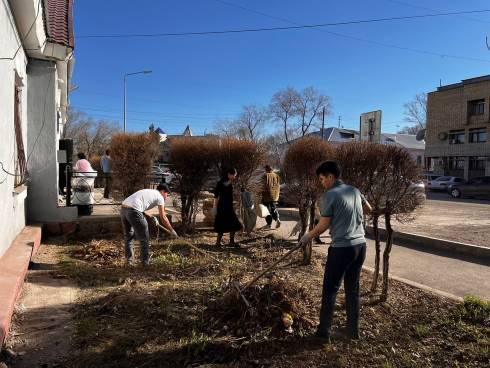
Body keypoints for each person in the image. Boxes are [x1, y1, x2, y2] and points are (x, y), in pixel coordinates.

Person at [298, 161, 372, 343]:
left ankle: (323, 334)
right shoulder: (354, 190)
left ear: (331, 176)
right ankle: (353, 331)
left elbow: (323, 225)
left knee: (330, 290)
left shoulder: (330, 195)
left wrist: (307, 237)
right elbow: (368, 209)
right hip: (360, 246)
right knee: (352, 290)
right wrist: (351, 216)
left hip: (342, 249)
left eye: (322, 178)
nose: (321, 182)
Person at [121, 184, 178, 266]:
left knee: (128, 237)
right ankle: (145, 263)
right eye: (166, 194)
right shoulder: (160, 197)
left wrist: (152, 216)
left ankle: (129, 262)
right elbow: (163, 217)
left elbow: (141, 205)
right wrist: (171, 230)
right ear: (162, 191)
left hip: (124, 209)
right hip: (134, 210)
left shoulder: (149, 191)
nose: (166, 196)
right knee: (144, 238)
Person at [212, 168, 242, 247]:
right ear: (229, 174)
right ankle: (217, 243)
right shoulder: (220, 183)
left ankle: (231, 241)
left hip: (229, 206)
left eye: (235, 176)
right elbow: (216, 196)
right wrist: (214, 207)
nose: (234, 177)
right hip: (222, 206)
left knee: (234, 224)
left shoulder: (231, 183)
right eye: (233, 175)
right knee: (221, 224)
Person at [261, 165, 281, 229]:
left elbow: (263, 185)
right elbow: (278, 186)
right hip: (275, 195)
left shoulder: (265, 175)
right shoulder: (276, 175)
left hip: (266, 195)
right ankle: (277, 219)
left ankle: (268, 224)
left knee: (266, 210)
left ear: (266, 169)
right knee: (273, 207)